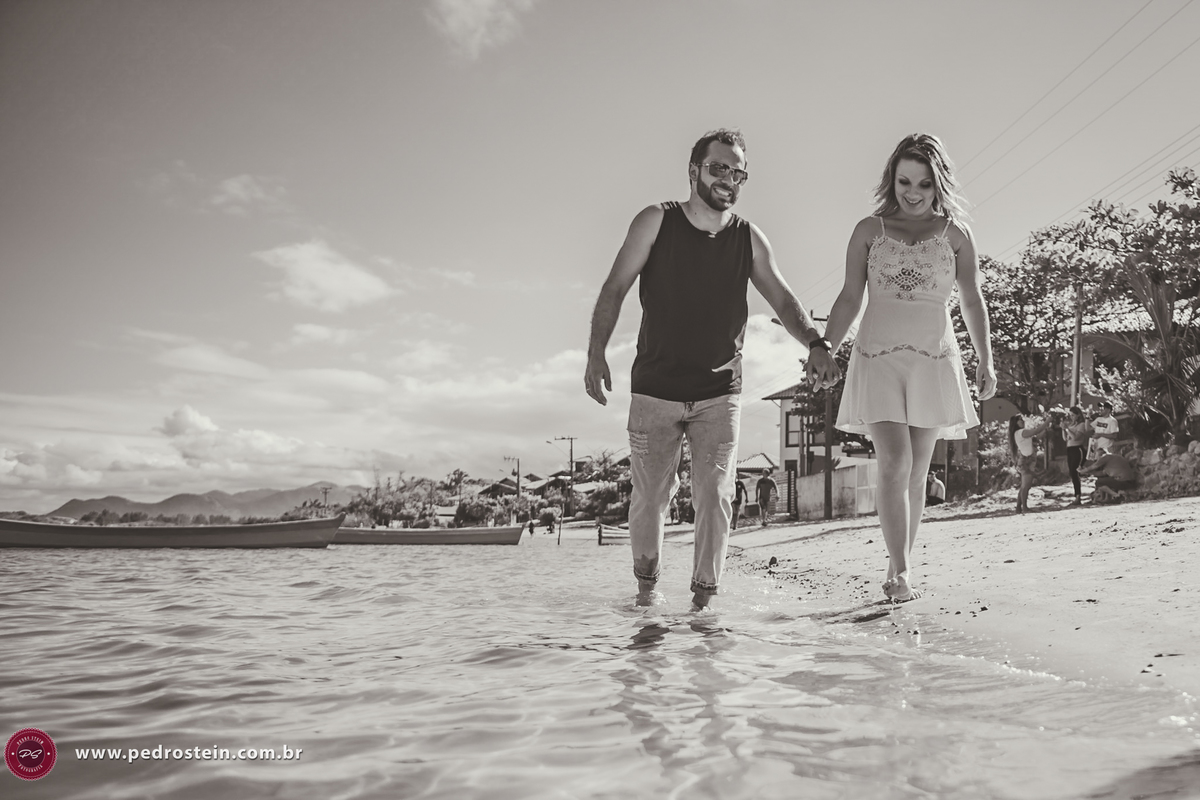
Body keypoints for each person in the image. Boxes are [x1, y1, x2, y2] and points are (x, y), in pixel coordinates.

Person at [584, 128, 840, 610]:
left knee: (716, 496)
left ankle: (703, 609)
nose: (728, 179)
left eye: (737, 171)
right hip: (655, 390)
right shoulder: (655, 222)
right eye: (718, 167)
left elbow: (782, 298)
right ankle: (647, 594)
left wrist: (816, 342)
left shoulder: (748, 238)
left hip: (721, 390)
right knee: (650, 500)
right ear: (693, 170)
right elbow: (615, 286)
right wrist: (596, 351)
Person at [824, 133, 997, 604]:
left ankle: (898, 563)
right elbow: (848, 297)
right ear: (892, 180)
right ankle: (900, 573)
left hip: (934, 361)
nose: (913, 192)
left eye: (923, 182)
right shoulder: (868, 230)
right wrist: (825, 345)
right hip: (877, 357)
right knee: (895, 461)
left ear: (938, 182)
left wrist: (986, 357)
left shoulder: (955, 235)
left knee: (918, 471)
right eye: (904, 181)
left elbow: (972, 299)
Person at [1009, 413, 1050, 514]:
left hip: (1027, 460)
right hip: (1026, 461)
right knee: (1026, 486)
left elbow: (1037, 436)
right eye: (1020, 420)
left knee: (1024, 485)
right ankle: (1025, 508)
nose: (1023, 421)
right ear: (1016, 423)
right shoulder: (1021, 432)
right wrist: (1047, 421)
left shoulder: (1020, 433)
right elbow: (1036, 431)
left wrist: (1046, 427)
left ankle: (1019, 508)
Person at [1060, 406, 1091, 505]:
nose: (1071, 417)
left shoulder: (1081, 425)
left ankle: (1078, 496)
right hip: (1069, 449)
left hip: (1077, 449)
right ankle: (1076, 495)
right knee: (1072, 473)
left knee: (1075, 472)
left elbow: (1076, 438)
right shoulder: (1071, 425)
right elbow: (1065, 438)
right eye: (1070, 415)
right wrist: (1063, 429)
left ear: (1078, 415)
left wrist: (1067, 429)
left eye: (1073, 415)